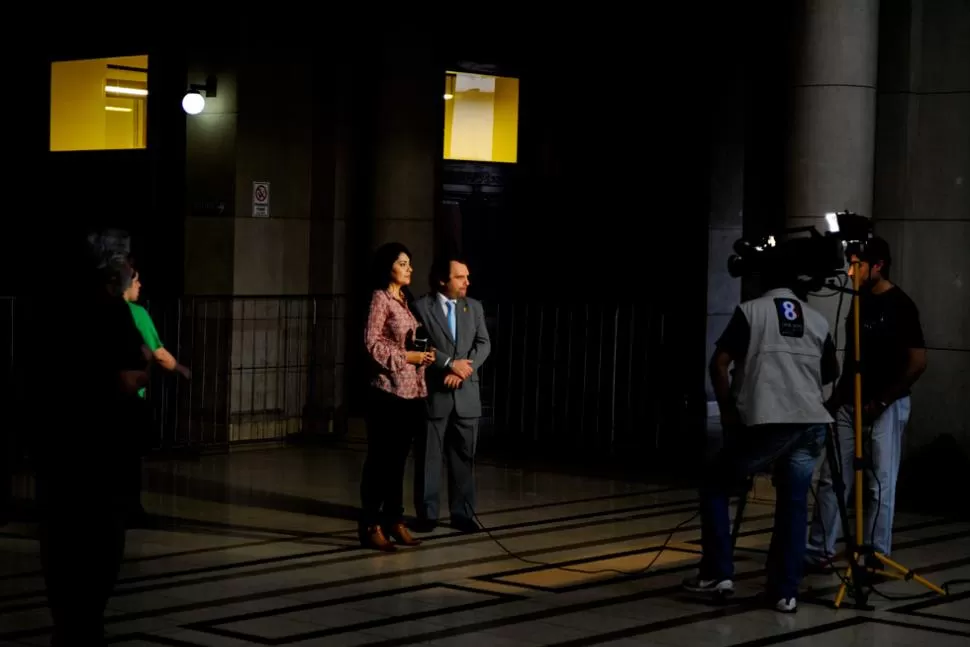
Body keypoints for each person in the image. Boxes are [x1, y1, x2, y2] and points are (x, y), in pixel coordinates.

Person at [683, 272, 839, 613]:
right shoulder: (816, 318)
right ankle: (785, 591)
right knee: (794, 501)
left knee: (715, 482)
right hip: (811, 421)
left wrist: (728, 410)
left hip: (770, 421)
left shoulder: (751, 311)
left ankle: (717, 573)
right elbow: (830, 372)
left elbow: (719, 364)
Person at [29, 230, 150, 644]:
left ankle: (69, 627)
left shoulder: (53, 310)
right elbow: (131, 375)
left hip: (60, 455)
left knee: (62, 554)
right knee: (98, 553)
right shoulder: (114, 314)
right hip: (102, 455)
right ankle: (84, 627)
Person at [806, 237, 926, 570]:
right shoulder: (857, 302)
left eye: (857, 264)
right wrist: (838, 399)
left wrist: (884, 400)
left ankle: (875, 553)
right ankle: (820, 549)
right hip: (850, 401)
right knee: (833, 478)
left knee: (879, 483)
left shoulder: (900, 304)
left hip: (886, 404)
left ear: (877, 266)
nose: (849, 271)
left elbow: (917, 361)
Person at [359, 242, 435, 551]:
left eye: (410, 263)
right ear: (388, 266)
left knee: (399, 462)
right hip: (387, 391)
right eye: (403, 263)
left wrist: (423, 355)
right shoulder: (380, 298)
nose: (409, 269)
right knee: (380, 460)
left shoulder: (406, 300)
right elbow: (372, 343)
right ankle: (370, 523)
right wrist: (407, 357)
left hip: (412, 391)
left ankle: (395, 519)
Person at [410, 257, 491, 533]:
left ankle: (463, 513)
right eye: (460, 277)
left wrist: (462, 371)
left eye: (467, 276)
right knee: (428, 457)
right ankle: (427, 514)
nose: (467, 282)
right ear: (443, 280)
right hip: (435, 393)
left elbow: (484, 344)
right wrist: (448, 364)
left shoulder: (474, 307)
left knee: (464, 458)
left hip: (466, 393)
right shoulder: (422, 307)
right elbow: (420, 344)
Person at [121, 267, 191, 521]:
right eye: (136, 281)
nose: (139, 286)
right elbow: (159, 353)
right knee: (128, 457)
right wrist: (182, 369)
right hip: (127, 395)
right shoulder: (136, 314)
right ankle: (130, 509)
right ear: (125, 283)